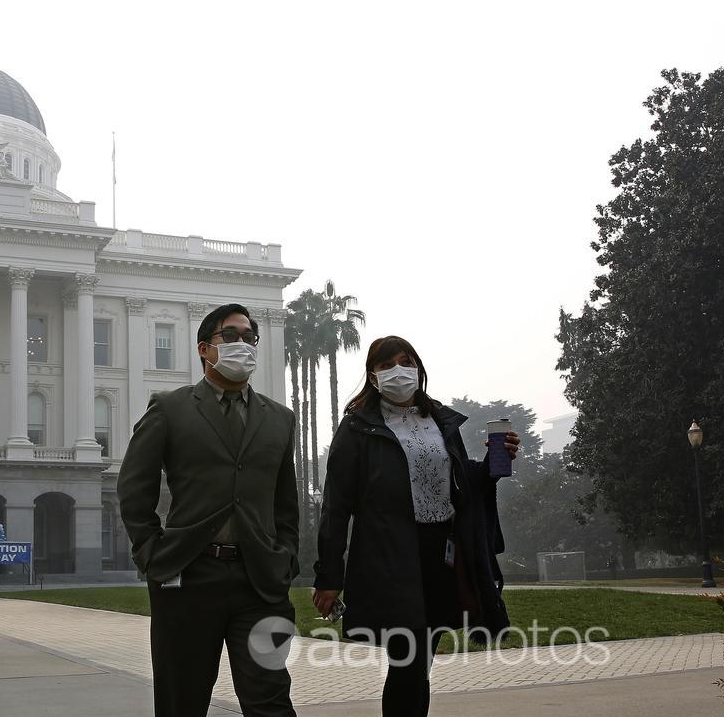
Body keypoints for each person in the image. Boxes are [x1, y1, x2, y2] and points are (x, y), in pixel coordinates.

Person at [312, 335, 519, 717]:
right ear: (372, 376)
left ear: (418, 368)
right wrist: (329, 575)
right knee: (408, 657)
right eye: (386, 364)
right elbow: (336, 507)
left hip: (441, 555)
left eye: (405, 361)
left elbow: (458, 481)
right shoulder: (358, 428)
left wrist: (492, 464)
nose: (397, 371)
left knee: (420, 658)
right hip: (390, 557)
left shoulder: (439, 420)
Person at [119, 303, 300, 717]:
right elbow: (134, 490)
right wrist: (152, 555)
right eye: (230, 336)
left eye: (249, 337)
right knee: (182, 700)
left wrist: (285, 557)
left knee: (270, 698)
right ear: (205, 348)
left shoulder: (279, 419)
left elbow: (285, 503)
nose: (243, 344)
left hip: (260, 583)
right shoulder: (169, 408)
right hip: (188, 578)